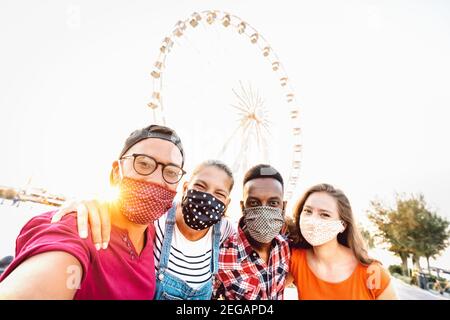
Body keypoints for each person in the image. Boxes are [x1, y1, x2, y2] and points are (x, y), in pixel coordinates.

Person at [0, 124, 185, 299]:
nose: (156, 179)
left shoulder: (154, 234)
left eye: (171, 172)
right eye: (143, 164)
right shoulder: (77, 226)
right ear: (115, 173)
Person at [52, 160, 236, 300]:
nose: (207, 197)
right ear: (186, 187)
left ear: (226, 203)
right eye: (200, 186)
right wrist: (88, 204)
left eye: (219, 194)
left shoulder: (224, 230)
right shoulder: (158, 214)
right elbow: (117, 208)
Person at [286, 183, 397, 300]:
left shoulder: (372, 272)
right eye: (308, 211)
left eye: (324, 214)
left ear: (342, 225)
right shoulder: (296, 260)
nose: (313, 220)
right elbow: (268, 292)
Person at [213, 164, 290, 300]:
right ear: (243, 207)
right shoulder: (220, 255)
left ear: (283, 207)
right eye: (254, 203)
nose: (264, 211)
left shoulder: (286, 248)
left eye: (273, 203)